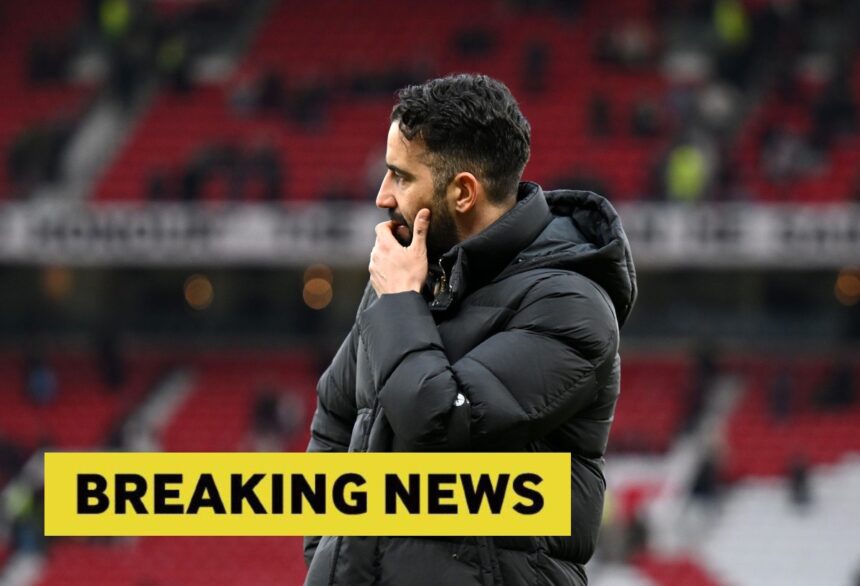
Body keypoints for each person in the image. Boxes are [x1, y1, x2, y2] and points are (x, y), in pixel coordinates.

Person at [303, 73, 637, 586]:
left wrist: (397, 303)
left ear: (462, 193)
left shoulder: (570, 306)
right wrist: (330, 551)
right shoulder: (409, 281)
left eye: (400, 177)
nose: (382, 196)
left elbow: (439, 422)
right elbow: (337, 413)